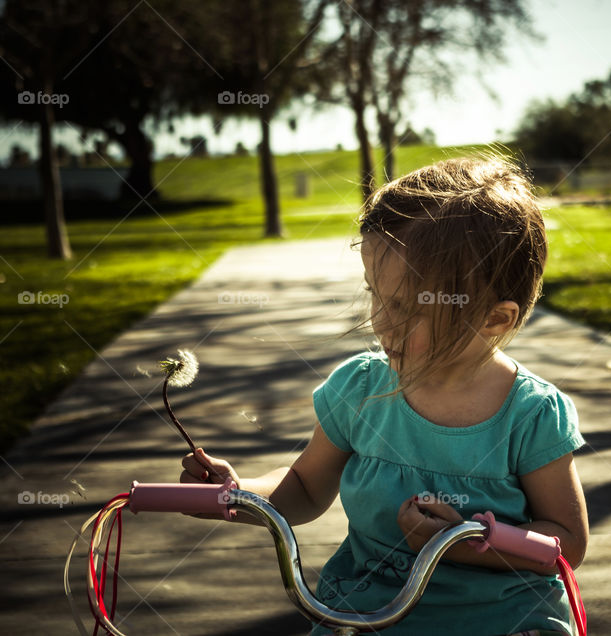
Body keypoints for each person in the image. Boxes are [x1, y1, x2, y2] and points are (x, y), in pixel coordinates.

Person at [181, 156, 589, 635]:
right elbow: (306, 487)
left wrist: (456, 541)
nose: (380, 321)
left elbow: (565, 543)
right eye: (377, 296)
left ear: (494, 319)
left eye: (406, 309)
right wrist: (239, 495)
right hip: (373, 614)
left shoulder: (531, 413)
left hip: (503, 620)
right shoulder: (359, 389)